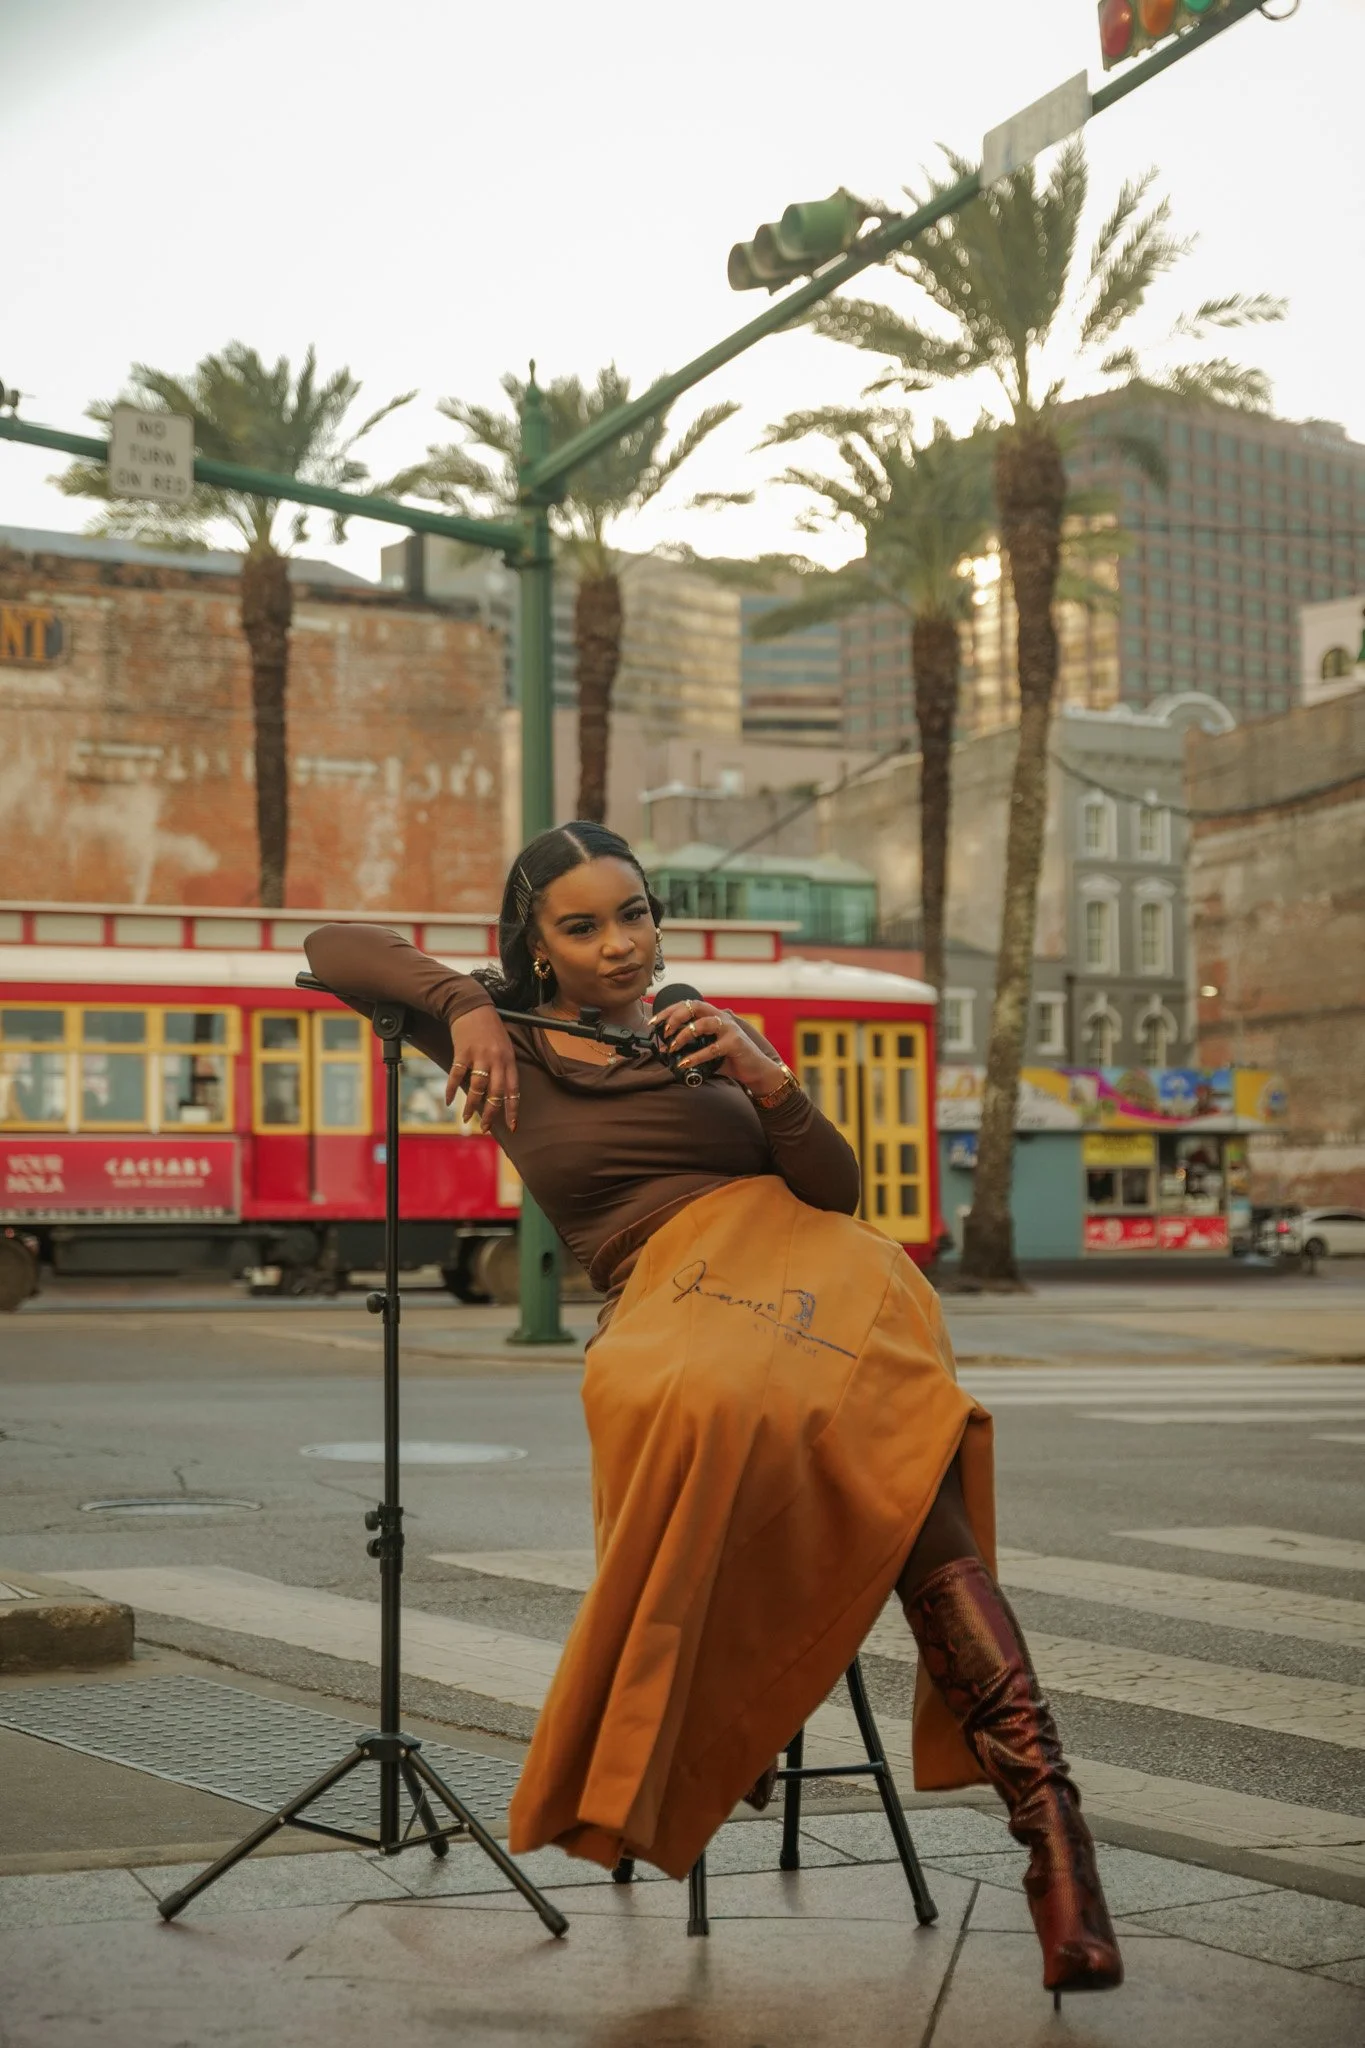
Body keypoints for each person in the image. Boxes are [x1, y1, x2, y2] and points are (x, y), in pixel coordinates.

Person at [305, 821, 1121, 2001]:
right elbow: (335, 944)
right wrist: (466, 1007)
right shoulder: (499, 1024)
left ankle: (1057, 1840)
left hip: (818, 1275)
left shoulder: (701, 1027)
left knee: (863, 1440)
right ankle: (1041, 1836)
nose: (619, 945)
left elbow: (835, 1188)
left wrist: (764, 1074)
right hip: (668, 1296)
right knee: (732, 1401)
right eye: (580, 926)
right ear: (532, 944)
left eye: (633, 913)